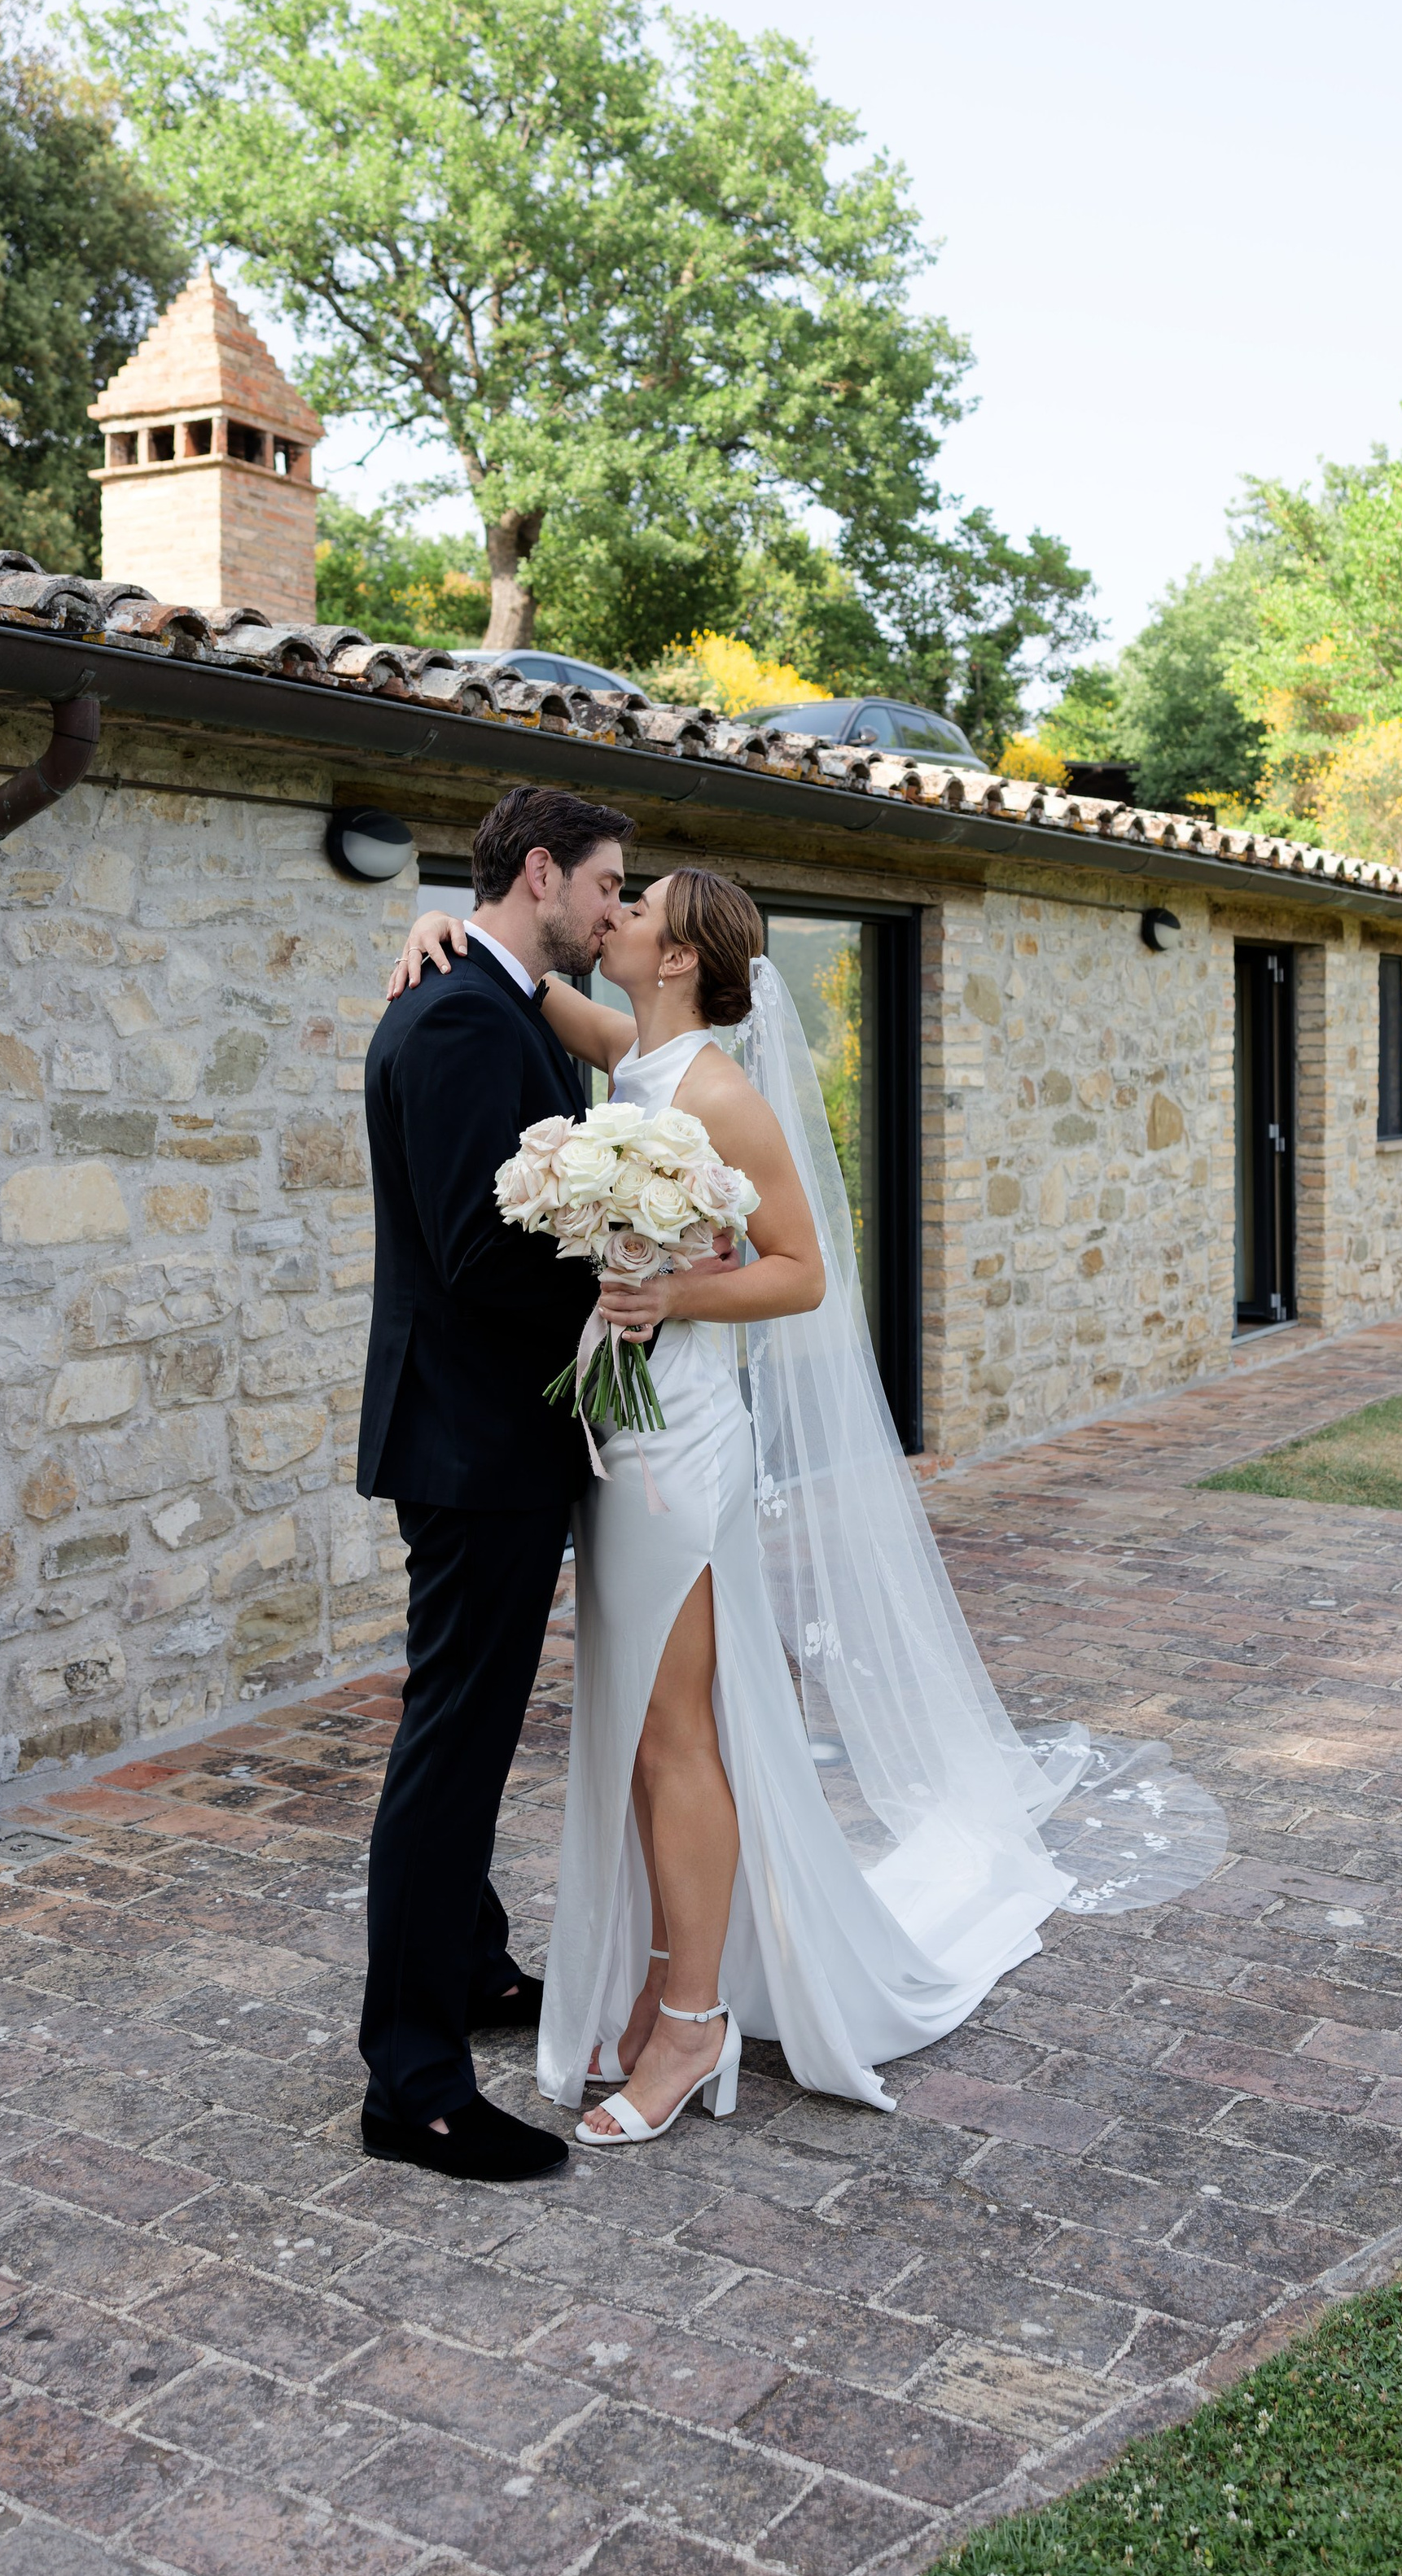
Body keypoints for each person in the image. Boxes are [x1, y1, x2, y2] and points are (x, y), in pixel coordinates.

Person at [390, 862, 1085, 2150]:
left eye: (638, 907)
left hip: (685, 1443)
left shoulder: (716, 1091)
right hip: (619, 1437)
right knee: (649, 1721)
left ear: (676, 959)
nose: (617, 914)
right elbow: (525, 977)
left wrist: (669, 1300)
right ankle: (667, 1976)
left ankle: (693, 2018)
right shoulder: (635, 1058)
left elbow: (806, 1275)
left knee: (674, 1730)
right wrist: (436, 920)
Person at [355, 783, 656, 2183]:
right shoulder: (466, 1015)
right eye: (606, 884)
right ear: (542, 873)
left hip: (486, 1437)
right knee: (454, 1747)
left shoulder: (490, 994)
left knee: (464, 1726)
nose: (616, 909)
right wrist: (622, 1292)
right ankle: (411, 2085)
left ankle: (469, 1972)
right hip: (477, 1445)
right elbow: (482, 1253)